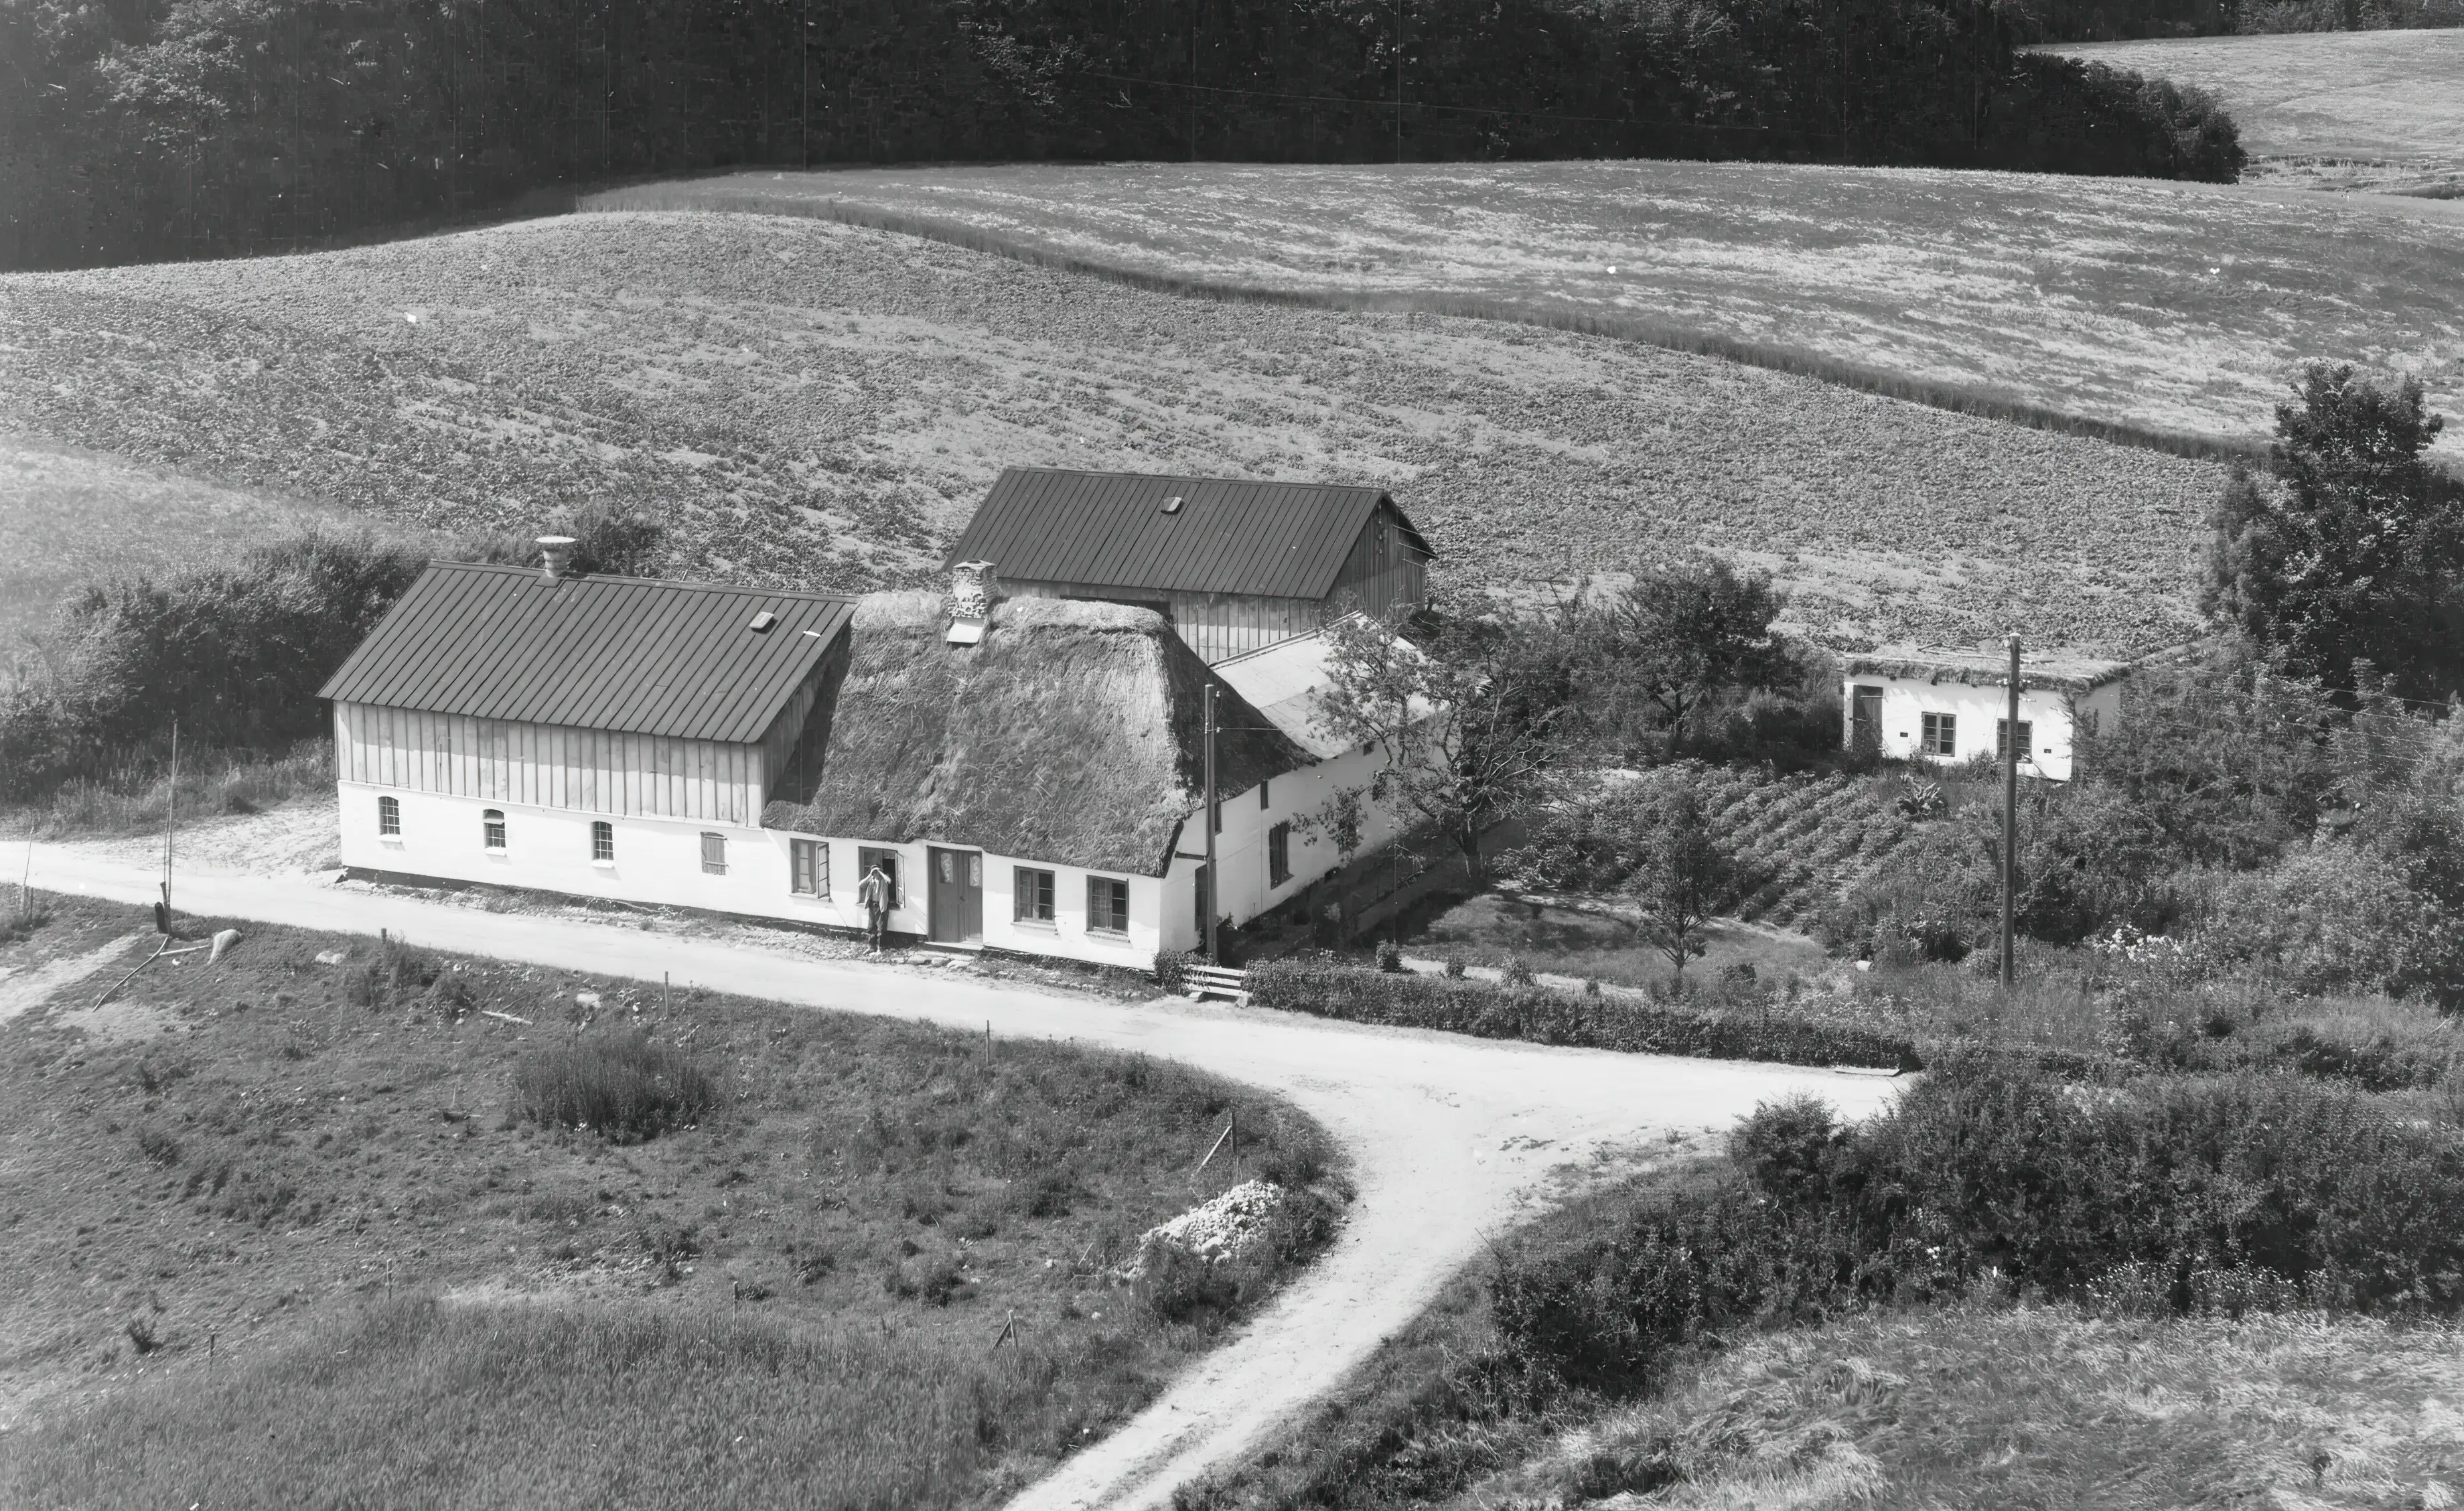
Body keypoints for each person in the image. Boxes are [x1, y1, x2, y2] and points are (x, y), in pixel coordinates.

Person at [857, 861, 893, 953]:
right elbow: (861, 884)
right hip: (872, 905)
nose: (875, 873)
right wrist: (870, 875)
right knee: (872, 926)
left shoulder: (883, 880)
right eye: (873, 871)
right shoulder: (871, 880)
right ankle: (871, 947)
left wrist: (880, 872)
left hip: (881, 905)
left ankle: (880, 949)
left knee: (881, 926)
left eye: (876, 871)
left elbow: (889, 880)